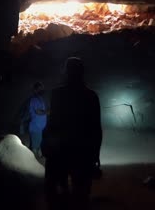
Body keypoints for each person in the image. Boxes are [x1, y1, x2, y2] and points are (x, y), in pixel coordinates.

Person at [42, 57, 102, 209]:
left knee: (54, 193)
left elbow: (52, 122)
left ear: (67, 72)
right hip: (82, 152)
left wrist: (46, 143)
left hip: (60, 151)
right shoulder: (91, 96)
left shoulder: (57, 94)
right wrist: (95, 155)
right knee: (81, 195)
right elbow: (96, 129)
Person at [28, 81, 49, 157]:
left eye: (43, 88)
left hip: (40, 128)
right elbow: (38, 112)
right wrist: (47, 112)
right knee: (34, 150)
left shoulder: (40, 99)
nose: (42, 90)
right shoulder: (34, 100)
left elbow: (42, 111)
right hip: (35, 128)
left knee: (38, 148)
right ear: (35, 89)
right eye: (40, 88)